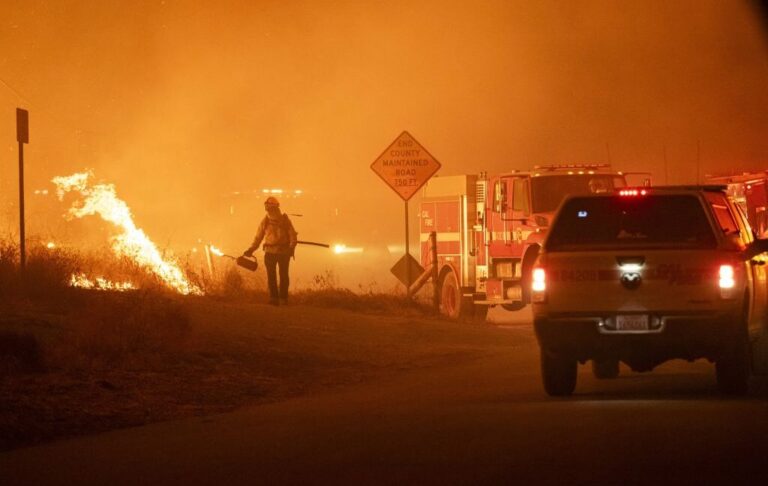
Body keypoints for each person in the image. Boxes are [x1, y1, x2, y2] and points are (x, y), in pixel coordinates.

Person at [243, 196, 298, 305]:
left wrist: (291, 248)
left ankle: (279, 299)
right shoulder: (269, 221)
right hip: (276, 252)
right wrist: (251, 250)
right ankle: (278, 299)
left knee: (279, 276)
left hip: (279, 253)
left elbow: (292, 237)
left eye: (268, 205)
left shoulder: (282, 221)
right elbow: (258, 238)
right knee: (278, 276)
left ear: (271, 207)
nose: (267, 207)